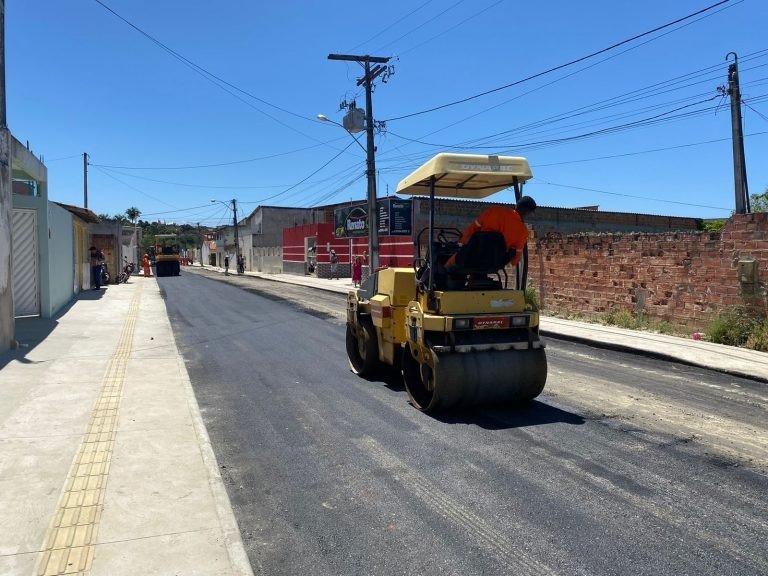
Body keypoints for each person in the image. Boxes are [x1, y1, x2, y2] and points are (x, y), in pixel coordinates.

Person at [447, 195, 537, 269]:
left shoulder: (494, 210)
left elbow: (474, 227)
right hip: (494, 263)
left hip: (472, 256)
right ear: (528, 212)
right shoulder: (523, 230)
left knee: (448, 265)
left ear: (517, 205)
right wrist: (511, 262)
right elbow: (516, 256)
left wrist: (462, 243)